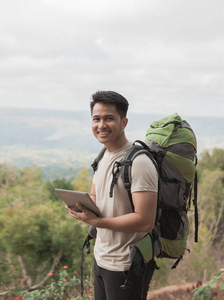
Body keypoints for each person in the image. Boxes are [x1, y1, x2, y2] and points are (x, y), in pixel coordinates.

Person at [66, 91, 158, 300]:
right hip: (102, 260)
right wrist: (82, 208)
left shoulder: (139, 163)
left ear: (124, 122)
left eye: (109, 118)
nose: (101, 125)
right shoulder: (103, 156)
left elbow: (145, 222)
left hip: (126, 265)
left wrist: (98, 221)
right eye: (96, 119)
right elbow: (96, 197)